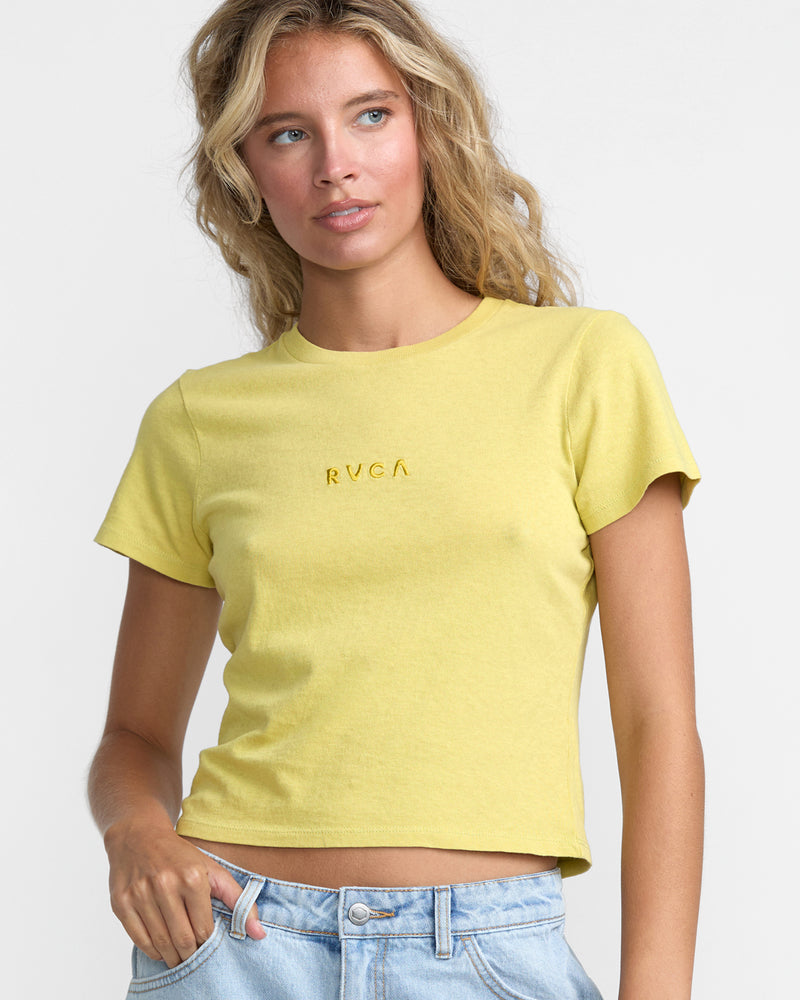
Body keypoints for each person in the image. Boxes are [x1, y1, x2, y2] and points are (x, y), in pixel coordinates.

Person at [87, 1, 705, 997]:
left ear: (428, 128)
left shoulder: (583, 367)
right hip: (234, 943)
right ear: (244, 170)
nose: (335, 164)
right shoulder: (198, 419)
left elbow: (657, 722)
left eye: (370, 115)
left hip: (482, 950)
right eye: (288, 133)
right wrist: (136, 832)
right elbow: (136, 739)